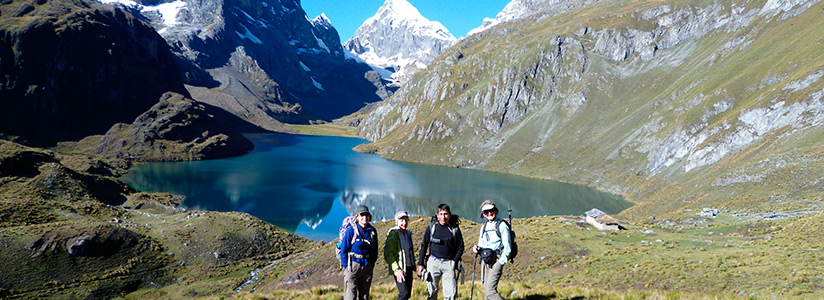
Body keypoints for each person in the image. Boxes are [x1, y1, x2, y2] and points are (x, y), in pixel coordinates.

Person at [418, 204, 464, 300]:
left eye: (446, 214)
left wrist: (454, 261)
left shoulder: (454, 229)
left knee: (451, 293)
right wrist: (420, 264)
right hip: (433, 262)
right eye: (441, 214)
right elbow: (424, 246)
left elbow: (461, 247)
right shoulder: (431, 228)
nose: (443, 217)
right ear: (437, 215)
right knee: (432, 291)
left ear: (450, 215)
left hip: (449, 263)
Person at [472, 200, 511, 300]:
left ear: (495, 211)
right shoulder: (483, 227)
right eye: (486, 212)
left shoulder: (502, 225)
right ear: (483, 214)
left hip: (497, 259)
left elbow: (508, 247)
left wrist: (501, 261)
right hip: (485, 259)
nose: (489, 213)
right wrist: (477, 249)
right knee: (486, 289)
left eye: (491, 211)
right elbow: (481, 244)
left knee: (490, 290)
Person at [340, 205, 379, 300]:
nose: (364, 217)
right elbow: (344, 250)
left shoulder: (372, 231)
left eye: (366, 215)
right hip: (353, 265)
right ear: (357, 217)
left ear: (369, 217)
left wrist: (371, 264)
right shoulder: (351, 230)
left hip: (366, 266)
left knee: (365, 296)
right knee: (350, 296)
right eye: (362, 215)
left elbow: (374, 250)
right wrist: (347, 267)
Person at [384, 210, 416, 300]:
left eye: (406, 220)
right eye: (401, 220)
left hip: (408, 267)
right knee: (404, 293)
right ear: (396, 222)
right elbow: (388, 254)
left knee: (408, 294)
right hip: (400, 268)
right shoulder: (393, 234)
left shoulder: (408, 234)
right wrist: (397, 269)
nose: (404, 223)